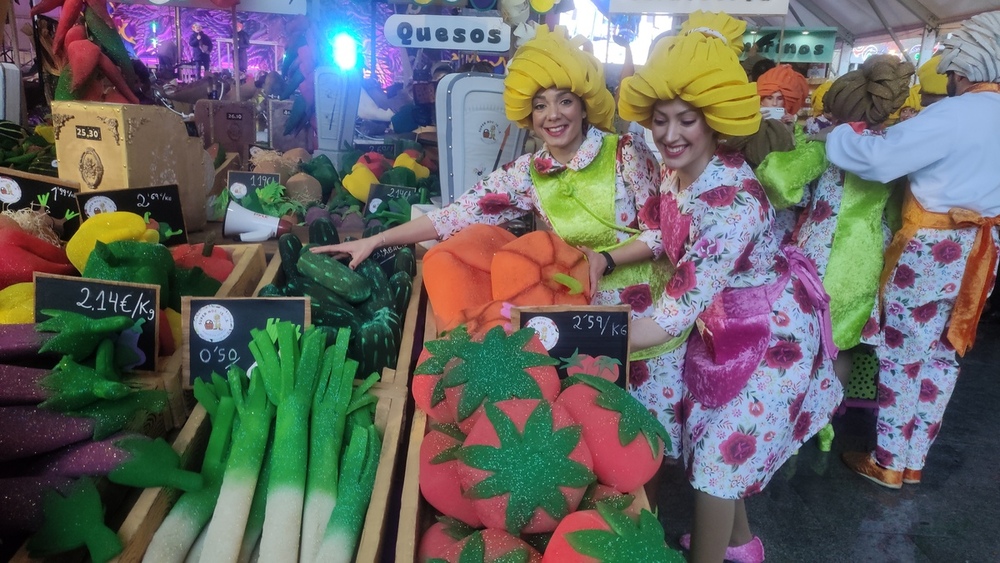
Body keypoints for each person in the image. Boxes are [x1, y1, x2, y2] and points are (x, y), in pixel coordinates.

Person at [314, 26, 690, 458]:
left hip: (647, 318)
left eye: (564, 100)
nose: (553, 115)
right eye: (540, 105)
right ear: (527, 116)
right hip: (576, 321)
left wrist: (605, 257)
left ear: (585, 105)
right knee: (600, 446)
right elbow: (454, 216)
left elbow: (662, 232)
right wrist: (376, 240)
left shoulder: (626, 152)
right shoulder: (527, 173)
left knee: (650, 445)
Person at [617, 11, 841, 563]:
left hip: (772, 334)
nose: (670, 135)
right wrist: (603, 257)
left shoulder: (732, 203)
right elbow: (660, 230)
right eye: (661, 119)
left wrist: (577, 337)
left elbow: (670, 318)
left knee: (717, 465)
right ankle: (741, 547)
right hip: (721, 322)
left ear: (715, 121)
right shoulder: (679, 171)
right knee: (712, 446)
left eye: (686, 120)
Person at [826, 10, 1000, 489]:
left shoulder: (955, 112)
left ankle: (888, 462)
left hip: (931, 248)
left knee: (905, 355)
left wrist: (839, 133)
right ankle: (914, 459)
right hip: (983, 250)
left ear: (965, 68)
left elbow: (880, 161)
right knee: (945, 355)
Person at [795, 54, 913, 383]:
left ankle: (799, 416)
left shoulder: (824, 144)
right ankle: (828, 418)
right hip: (864, 253)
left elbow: (797, 194)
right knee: (842, 344)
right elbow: (895, 210)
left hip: (817, 251)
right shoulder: (891, 150)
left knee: (804, 338)